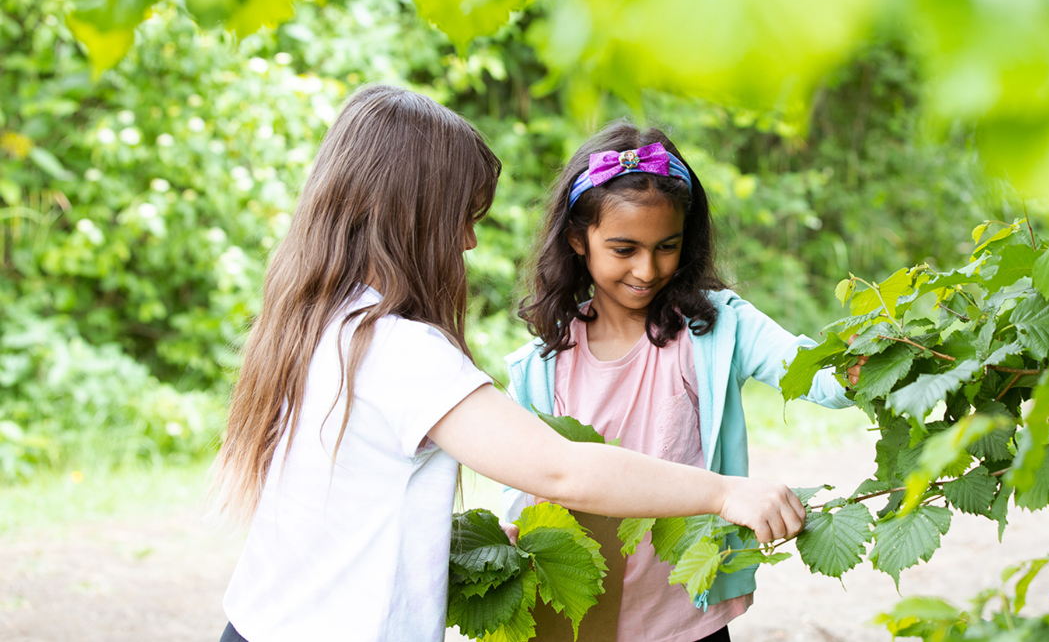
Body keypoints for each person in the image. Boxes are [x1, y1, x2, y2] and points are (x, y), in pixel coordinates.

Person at [210, 87, 808, 642]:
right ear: (415, 216)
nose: (469, 241)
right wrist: (725, 493)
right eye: (464, 215)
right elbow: (561, 471)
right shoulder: (399, 351)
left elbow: (346, 514)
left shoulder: (324, 323)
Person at [506, 123, 864, 642]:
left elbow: (811, 371)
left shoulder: (719, 327)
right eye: (624, 249)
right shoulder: (538, 367)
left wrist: (860, 363)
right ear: (577, 239)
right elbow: (522, 489)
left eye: (666, 246)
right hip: (577, 620)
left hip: (685, 617)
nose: (648, 270)